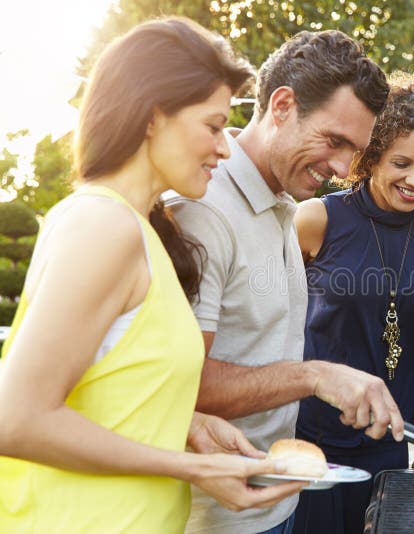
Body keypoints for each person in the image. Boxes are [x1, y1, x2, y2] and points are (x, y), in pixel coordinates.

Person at [0, 18, 307, 534]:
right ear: (152, 117)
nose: (225, 147)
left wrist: (190, 426)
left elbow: (109, 392)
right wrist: (193, 468)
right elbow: (17, 419)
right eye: (212, 126)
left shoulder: (142, 230)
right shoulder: (103, 225)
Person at [167, 30, 405, 534]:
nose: (343, 168)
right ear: (281, 105)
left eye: (354, 151)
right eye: (334, 141)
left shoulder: (284, 204)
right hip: (215, 518)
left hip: (274, 501)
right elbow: (179, 385)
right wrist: (315, 376)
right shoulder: (201, 209)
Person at [292, 71, 414, 534]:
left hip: (394, 443)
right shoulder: (315, 220)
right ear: (370, 156)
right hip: (311, 441)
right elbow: (274, 324)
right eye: (401, 163)